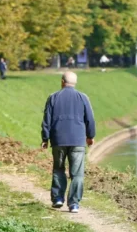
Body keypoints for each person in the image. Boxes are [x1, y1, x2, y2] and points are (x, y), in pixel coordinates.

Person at [41, 71, 96, 213]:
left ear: (62, 81)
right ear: (75, 82)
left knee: (59, 169)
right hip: (78, 140)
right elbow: (90, 119)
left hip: (58, 140)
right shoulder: (83, 98)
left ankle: (58, 198)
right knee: (77, 174)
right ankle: (74, 204)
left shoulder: (53, 97)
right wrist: (90, 136)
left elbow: (47, 120)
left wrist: (45, 138)